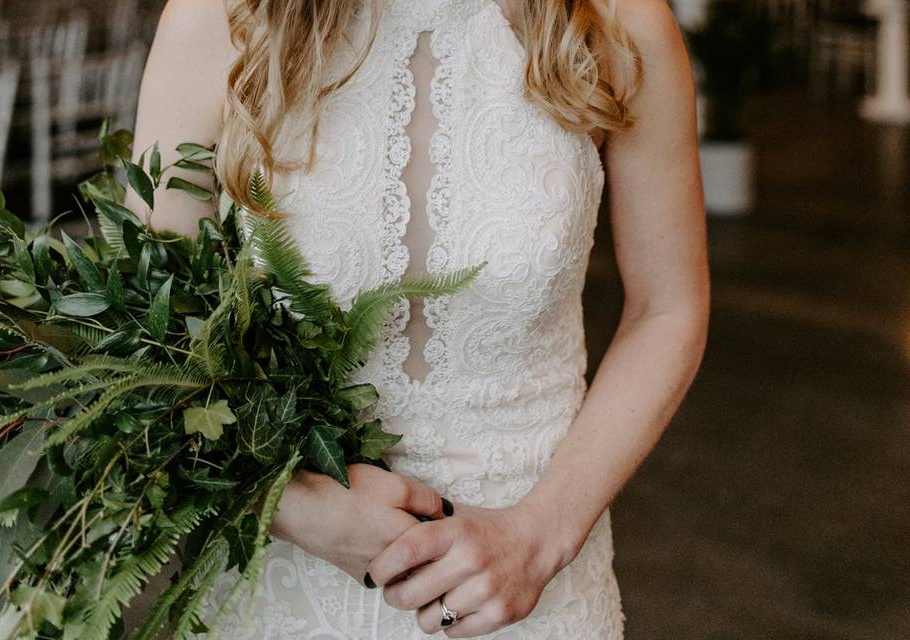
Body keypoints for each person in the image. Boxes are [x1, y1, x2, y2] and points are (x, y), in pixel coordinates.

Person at [126, 0, 709, 637]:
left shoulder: (616, 19)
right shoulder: (223, 15)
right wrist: (289, 502)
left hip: (532, 587)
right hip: (282, 588)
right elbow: (148, 331)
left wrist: (539, 537)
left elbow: (667, 309)